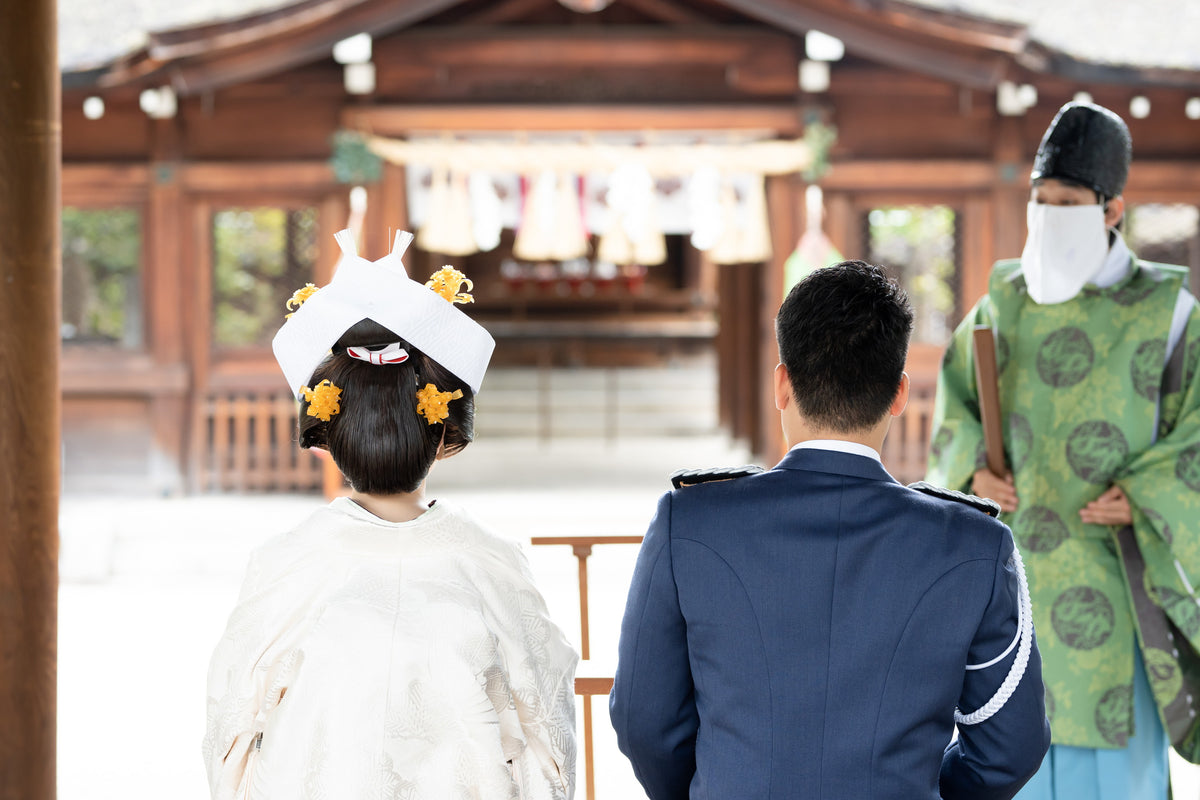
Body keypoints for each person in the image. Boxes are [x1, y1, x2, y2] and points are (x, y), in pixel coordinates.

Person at [610, 260, 1050, 799]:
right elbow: (1013, 745)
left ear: (781, 384)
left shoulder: (690, 521)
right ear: (898, 394)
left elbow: (643, 719)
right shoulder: (975, 544)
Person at [202, 230, 578, 799]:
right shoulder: (494, 563)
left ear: (327, 434)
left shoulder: (288, 563)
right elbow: (548, 737)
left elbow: (231, 732)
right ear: (444, 434)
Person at [927, 100, 1200, 799]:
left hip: (1118, 585)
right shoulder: (998, 306)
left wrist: (1145, 493)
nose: (1049, 214)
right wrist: (972, 475)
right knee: (1007, 752)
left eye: (1068, 201)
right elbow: (953, 414)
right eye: (1040, 200)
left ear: (1112, 209)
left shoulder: (1171, 316)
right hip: (1013, 584)